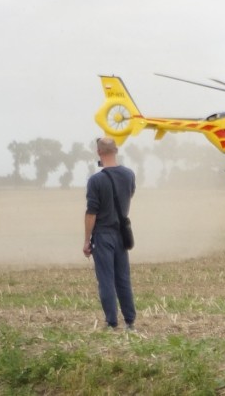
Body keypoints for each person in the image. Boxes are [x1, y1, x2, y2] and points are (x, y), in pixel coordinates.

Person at [83, 137, 137, 331]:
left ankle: (112, 322)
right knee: (123, 278)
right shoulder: (129, 175)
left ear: (99, 153)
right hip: (121, 234)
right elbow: (129, 195)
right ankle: (130, 321)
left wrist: (87, 240)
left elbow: (91, 213)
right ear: (116, 150)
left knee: (106, 279)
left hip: (103, 234)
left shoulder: (95, 180)